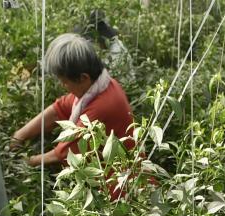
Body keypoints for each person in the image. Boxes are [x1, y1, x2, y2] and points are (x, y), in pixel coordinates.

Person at [10, 33, 134, 168]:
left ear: (83, 78)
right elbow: (57, 110)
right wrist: (19, 136)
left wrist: (23, 162)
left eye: (65, 82)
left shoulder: (102, 107)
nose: (63, 86)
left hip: (120, 178)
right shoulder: (100, 86)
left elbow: (64, 153)